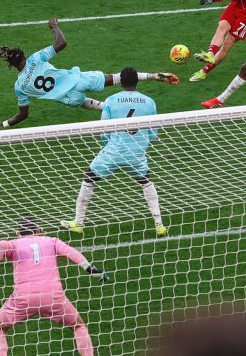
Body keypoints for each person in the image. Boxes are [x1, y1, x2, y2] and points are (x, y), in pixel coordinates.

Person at [0, 217, 111, 356]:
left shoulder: (15, 243)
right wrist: (91, 269)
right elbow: (71, 252)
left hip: (23, 298)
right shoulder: (52, 241)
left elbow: (1, 245)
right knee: (78, 326)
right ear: (38, 231)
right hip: (53, 297)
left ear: (19, 233)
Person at [0, 18, 177, 129]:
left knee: (83, 101)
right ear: (23, 56)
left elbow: (23, 115)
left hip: (71, 99)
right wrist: (54, 26)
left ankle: (108, 108)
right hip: (79, 79)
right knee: (116, 78)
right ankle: (153, 76)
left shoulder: (19, 87)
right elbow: (61, 43)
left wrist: (3, 124)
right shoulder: (35, 59)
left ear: (12, 65)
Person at [61, 67, 167, 238]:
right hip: (137, 154)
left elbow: (104, 131)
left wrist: (109, 146)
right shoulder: (149, 102)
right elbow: (153, 134)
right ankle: (159, 225)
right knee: (146, 182)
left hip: (113, 151)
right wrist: (141, 144)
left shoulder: (111, 100)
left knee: (89, 178)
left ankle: (78, 223)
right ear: (136, 81)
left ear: (121, 82)